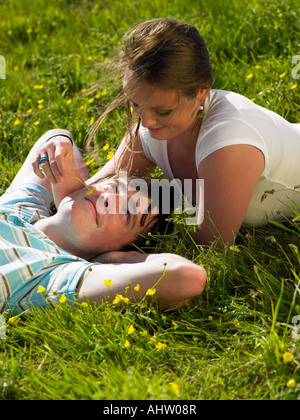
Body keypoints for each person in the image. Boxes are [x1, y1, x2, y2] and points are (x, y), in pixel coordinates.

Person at [87, 17, 300, 246]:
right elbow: (89, 193)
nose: (146, 123)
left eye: (163, 111)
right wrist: (56, 141)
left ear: (201, 93)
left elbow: (211, 246)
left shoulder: (229, 141)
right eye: (136, 104)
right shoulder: (152, 130)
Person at [1, 129, 206, 316]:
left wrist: (111, 261)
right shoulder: (22, 207)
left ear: (118, 250)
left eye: (126, 213)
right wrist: (61, 155)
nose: (106, 200)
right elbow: (58, 137)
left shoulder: (54, 276)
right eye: (114, 188)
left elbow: (186, 276)